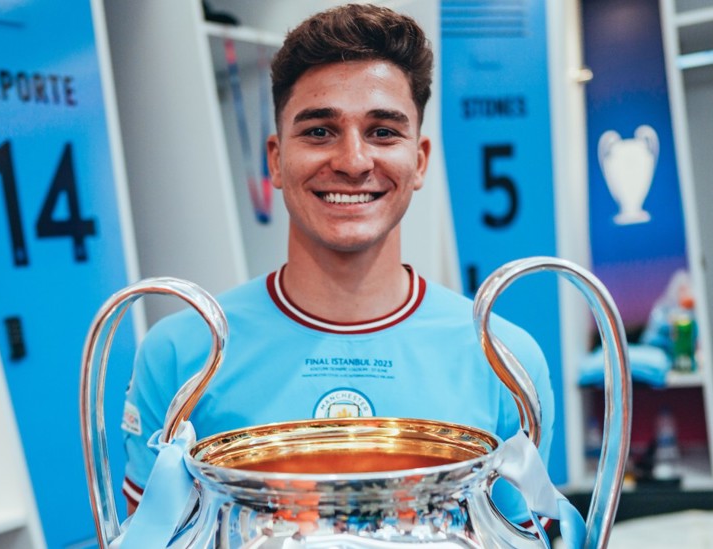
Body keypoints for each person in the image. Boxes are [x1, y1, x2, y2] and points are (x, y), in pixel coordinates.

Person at [120, 2, 554, 526]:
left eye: (383, 132)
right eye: (320, 131)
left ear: (419, 161)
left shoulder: (505, 360)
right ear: (276, 160)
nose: (352, 161)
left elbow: (520, 537)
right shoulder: (180, 351)